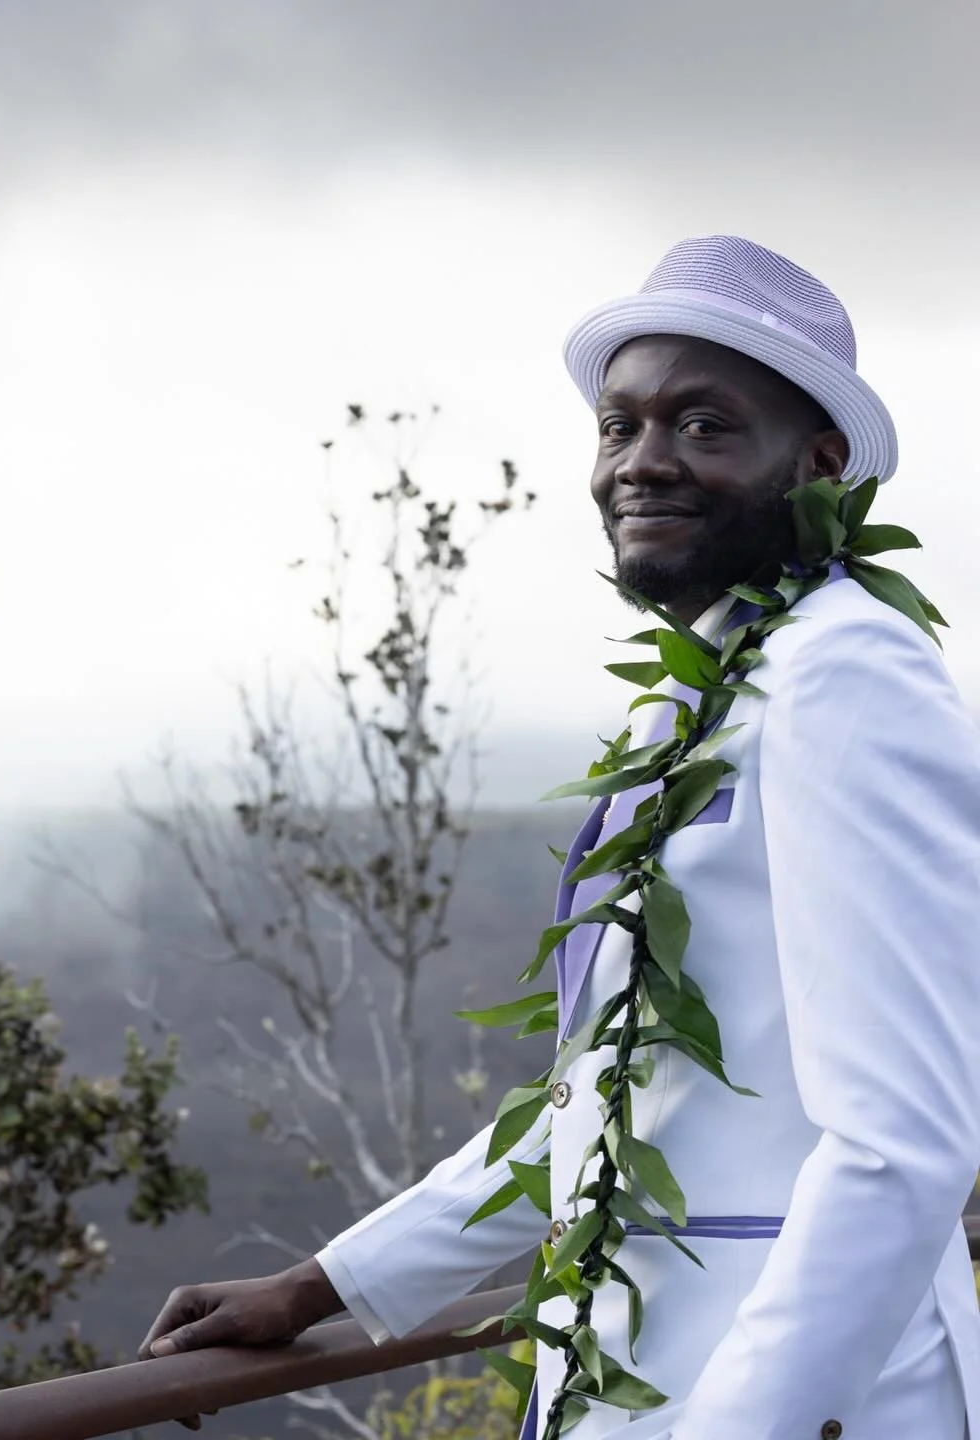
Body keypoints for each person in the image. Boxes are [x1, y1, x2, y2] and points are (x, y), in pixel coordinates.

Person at [139, 236, 980, 1440]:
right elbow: (617, 1084)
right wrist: (321, 1287)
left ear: (822, 461)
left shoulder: (851, 671)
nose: (642, 463)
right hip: (630, 1378)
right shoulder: (702, 692)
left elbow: (907, 1141)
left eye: (703, 426)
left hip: (797, 1397)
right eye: (618, 426)